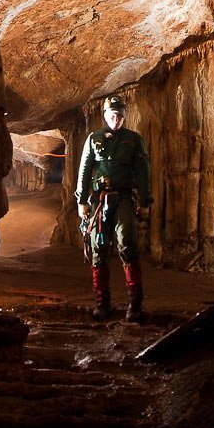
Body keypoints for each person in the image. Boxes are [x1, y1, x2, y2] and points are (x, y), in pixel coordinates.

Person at [75, 93, 152, 322]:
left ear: (123, 117)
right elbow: (84, 169)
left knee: (128, 245)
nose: (115, 119)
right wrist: (81, 201)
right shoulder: (93, 139)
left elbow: (143, 172)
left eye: (119, 115)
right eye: (112, 115)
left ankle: (134, 305)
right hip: (99, 200)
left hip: (123, 199)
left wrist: (146, 201)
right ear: (105, 115)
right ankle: (102, 302)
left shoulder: (134, 140)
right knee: (98, 249)